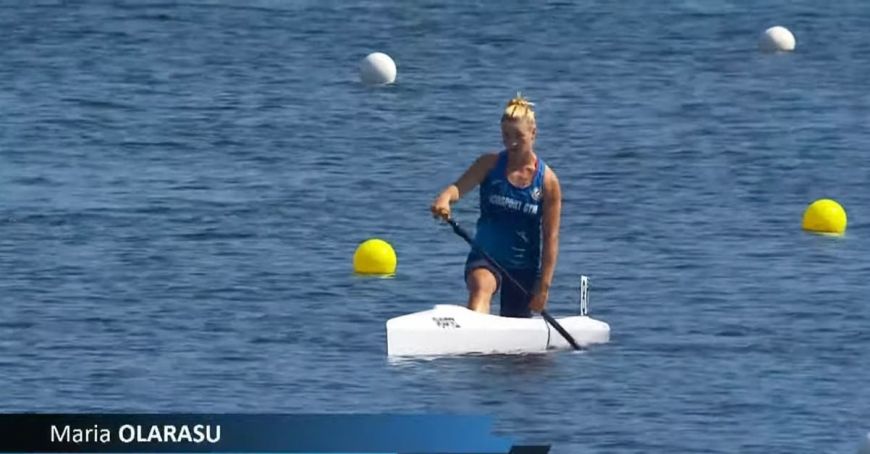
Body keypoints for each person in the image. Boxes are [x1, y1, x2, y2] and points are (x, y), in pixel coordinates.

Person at [430, 93, 562, 318]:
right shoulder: (489, 164)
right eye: (506, 135)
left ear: (533, 133)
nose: (511, 142)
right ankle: (474, 332)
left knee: (515, 325)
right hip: (486, 255)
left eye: (518, 136)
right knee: (481, 287)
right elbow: (457, 189)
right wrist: (444, 199)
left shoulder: (548, 182)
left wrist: (543, 287)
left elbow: (551, 238)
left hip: (522, 267)